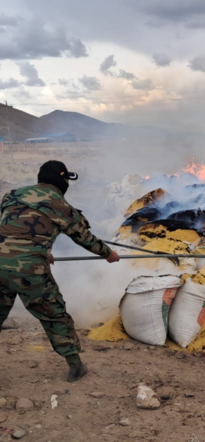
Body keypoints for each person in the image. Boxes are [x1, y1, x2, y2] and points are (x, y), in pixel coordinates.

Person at [0, 160, 120, 382]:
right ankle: (75, 365)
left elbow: (12, 229)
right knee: (54, 315)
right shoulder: (60, 205)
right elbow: (84, 237)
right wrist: (108, 254)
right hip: (30, 270)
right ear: (61, 179)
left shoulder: (12, 194)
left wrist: (41, 250)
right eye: (66, 179)